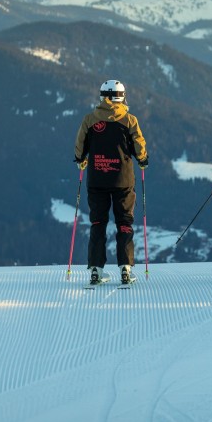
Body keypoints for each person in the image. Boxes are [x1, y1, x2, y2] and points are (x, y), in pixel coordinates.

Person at [74, 79, 148, 285]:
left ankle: (96, 270)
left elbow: (80, 144)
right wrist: (142, 160)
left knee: (98, 223)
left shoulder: (90, 119)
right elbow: (139, 146)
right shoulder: (129, 120)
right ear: (122, 96)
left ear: (102, 96)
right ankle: (125, 269)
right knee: (124, 223)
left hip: (96, 179)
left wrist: (81, 160)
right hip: (123, 180)